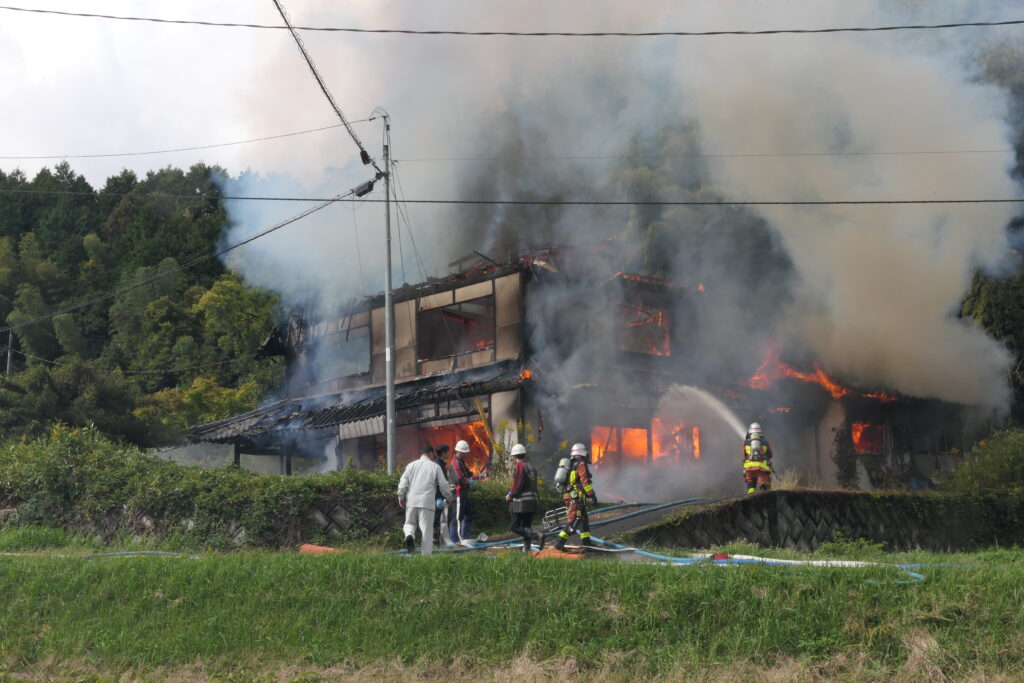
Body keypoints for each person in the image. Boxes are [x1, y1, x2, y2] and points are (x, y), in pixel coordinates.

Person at [397, 446, 451, 555]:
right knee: (426, 531)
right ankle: (426, 557)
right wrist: (448, 497)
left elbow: (403, 483)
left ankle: (409, 536)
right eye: (433, 455)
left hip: (411, 501)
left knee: (409, 524)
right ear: (430, 454)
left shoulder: (411, 465)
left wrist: (401, 497)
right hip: (427, 502)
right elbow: (443, 484)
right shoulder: (435, 467)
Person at [553, 442, 597, 550]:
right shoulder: (581, 464)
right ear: (582, 452)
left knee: (583, 519)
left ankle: (586, 543)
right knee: (573, 519)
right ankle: (559, 543)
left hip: (570, 495)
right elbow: (585, 482)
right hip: (576, 497)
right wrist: (591, 495)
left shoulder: (571, 464)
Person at [505, 443, 545, 553]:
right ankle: (526, 550)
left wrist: (510, 494)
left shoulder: (520, 466)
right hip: (532, 501)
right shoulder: (531, 467)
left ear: (514, 456)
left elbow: (518, 483)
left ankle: (537, 535)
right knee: (526, 526)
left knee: (514, 526)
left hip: (522, 503)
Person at [447, 439, 477, 544]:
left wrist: (478, 476)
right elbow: (460, 478)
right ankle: (454, 540)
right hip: (457, 494)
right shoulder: (455, 463)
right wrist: (469, 481)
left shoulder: (461, 462)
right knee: (456, 518)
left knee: (468, 515)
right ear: (458, 452)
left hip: (464, 494)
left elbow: (468, 474)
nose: (465, 455)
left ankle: (465, 536)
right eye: (464, 453)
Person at [742, 422, 774, 494]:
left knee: (751, 488)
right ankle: (765, 499)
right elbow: (770, 455)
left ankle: (752, 498)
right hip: (761, 469)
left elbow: (744, 456)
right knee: (765, 487)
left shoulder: (745, 443)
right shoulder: (765, 443)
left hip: (749, 469)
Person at [433, 444, 453, 546]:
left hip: (438, 497)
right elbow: (440, 483)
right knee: (435, 520)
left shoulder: (439, 463)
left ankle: (437, 542)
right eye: (448, 451)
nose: (449, 453)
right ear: (443, 453)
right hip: (437, 498)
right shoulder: (438, 465)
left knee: (437, 520)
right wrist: (442, 497)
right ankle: (434, 543)